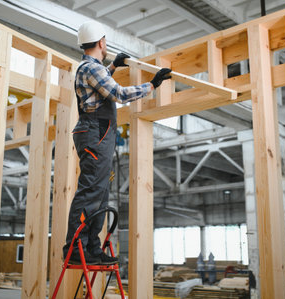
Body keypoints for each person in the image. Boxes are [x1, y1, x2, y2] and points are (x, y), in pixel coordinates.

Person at [63, 20, 172, 265]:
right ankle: (76, 249)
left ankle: (91, 248)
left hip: (97, 132)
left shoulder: (92, 68)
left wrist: (112, 65)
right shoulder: (91, 68)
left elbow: (99, 89)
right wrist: (152, 85)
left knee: (99, 194)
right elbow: (119, 94)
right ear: (102, 42)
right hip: (96, 132)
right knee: (91, 192)